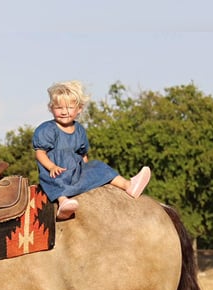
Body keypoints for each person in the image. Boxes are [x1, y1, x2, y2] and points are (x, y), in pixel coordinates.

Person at [33, 80, 151, 220]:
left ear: (79, 108)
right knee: (56, 177)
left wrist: (86, 169)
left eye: (70, 108)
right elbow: (40, 152)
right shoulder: (47, 129)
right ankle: (63, 201)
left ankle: (128, 185)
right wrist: (51, 166)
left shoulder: (80, 130)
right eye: (59, 108)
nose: (64, 112)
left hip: (75, 171)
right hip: (57, 170)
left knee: (99, 166)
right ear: (51, 108)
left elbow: (82, 154)